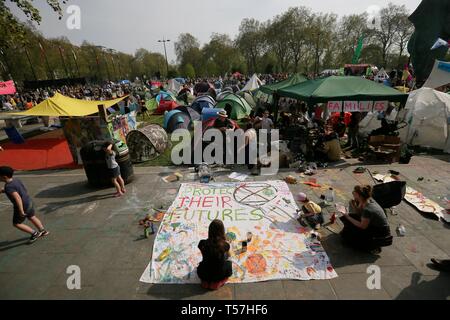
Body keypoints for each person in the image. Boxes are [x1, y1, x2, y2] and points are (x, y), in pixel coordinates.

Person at [0, 166, 49, 244]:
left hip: (22, 206)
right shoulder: (16, 180)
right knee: (32, 217)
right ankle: (43, 231)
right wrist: (4, 190)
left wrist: (21, 210)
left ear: (4, 177)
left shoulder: (8, 187)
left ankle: (34, 233)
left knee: (17, 223)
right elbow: (19, 189)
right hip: (28, 201)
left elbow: (17, 198)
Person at [340, 185, 392, 254]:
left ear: (359, 196)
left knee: (350, 238)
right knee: (350, 219)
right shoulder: (366, 200)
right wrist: (354, 205)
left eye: (354, 192)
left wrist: (347, 216)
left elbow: (362, 226)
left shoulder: (368, 209)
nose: (352, 193)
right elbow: (359, 213)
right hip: (373, 225)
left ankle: (373, 246)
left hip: (380, 233)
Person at [197, 219, 233, 290]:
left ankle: (206, 282)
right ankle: (218, 283)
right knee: (229, 263)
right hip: (219, 275)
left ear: (209, 231)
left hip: (204, 273)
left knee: (204, 264)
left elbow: (204, 255)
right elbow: (229, 256)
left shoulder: (202, 243)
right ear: (222, 232)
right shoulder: (224, 245)